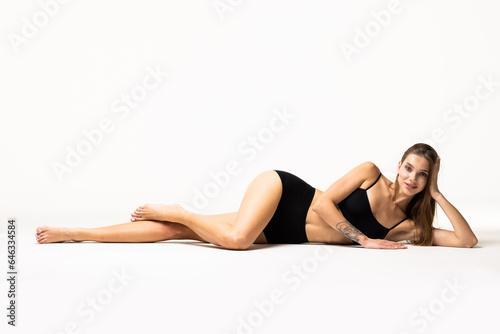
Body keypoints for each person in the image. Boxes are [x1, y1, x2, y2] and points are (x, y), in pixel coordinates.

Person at [35, 143, 478, 249]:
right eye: (410, 168)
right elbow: (323, 204)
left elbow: (467, 241)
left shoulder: (408, 226)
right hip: (285, 192)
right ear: (398, 165)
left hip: (286, 233)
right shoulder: (370, 175)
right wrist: (363, 239)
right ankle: (182, 209)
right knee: (235, 240)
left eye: (423, 175)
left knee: (177, 233)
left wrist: (439, 193)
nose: (412, 178)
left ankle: (74, 232)